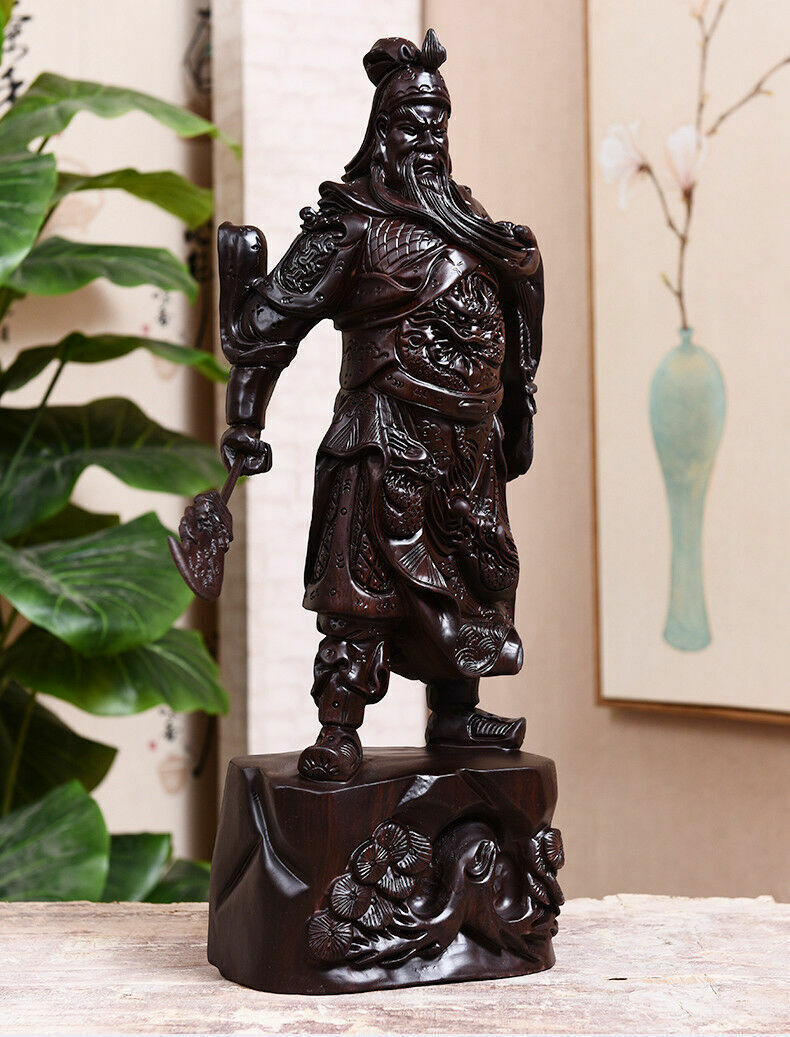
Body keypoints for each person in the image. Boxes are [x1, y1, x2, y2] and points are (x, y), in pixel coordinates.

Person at [218, 29, 544, 781]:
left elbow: (516, 309)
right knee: (361, 589)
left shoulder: (471, 223)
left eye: (438, 125)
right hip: (384, 434)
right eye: (412, 124)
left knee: (475, 581)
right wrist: (246, 420)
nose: (428, 139)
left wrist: (516, 410)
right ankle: (339, 725)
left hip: (468, 444)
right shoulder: (349, 224)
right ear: (382, 133)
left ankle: (457, 709)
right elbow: (271, 328)